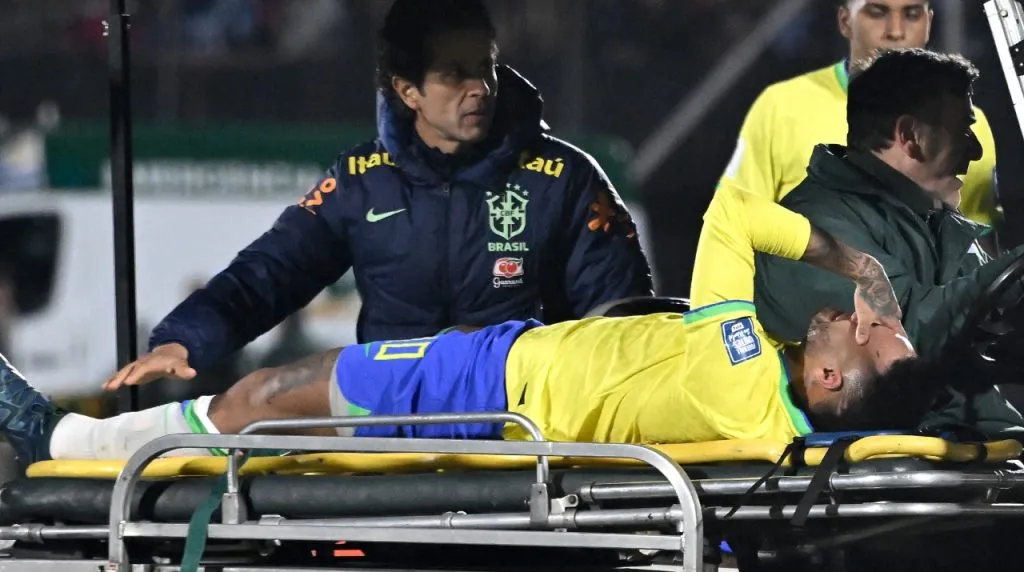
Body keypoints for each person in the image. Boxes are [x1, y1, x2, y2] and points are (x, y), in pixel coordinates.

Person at [0, 184, 931, 467]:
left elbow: (731, 215)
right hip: (507, 361)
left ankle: (68, 440)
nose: (860, 314)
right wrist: (865, 273)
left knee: (266, 397)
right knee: (276, 406)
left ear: (835, 382)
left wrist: (857, 267)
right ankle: (82, 437)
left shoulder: (759, 401)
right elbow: (729, 218)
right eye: (869, 308)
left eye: (870, 330)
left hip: (495, 389)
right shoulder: (759, 366)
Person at [103, 0, 653, 392]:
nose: (480, 89)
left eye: (485, 67)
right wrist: (185, 340)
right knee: (261, 397)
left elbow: (619, 318)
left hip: (520, 418)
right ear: (407, 90)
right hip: (391, 424)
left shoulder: (564, 177)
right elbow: (271, 272)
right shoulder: (360, 179)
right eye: (454, 75)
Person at [751, 48, 1024, 436]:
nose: (975, 150)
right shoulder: (813, 225)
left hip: (975, 451)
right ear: (910, 136)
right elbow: (906, 338)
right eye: (963, 130)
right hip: (902, 467)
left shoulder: (935, 224)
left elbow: (995, 321)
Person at [718, 0, 1000, 232]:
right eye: (876, 13)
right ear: (845, 21)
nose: (896, 31)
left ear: (929, 21)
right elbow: (732, 220)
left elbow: (981, 237)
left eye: (912, 14)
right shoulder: (784, 108)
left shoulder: (972, 125)